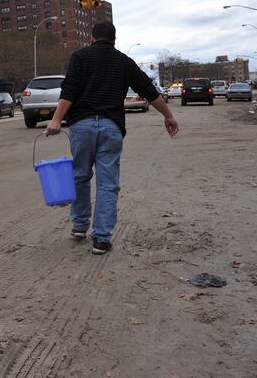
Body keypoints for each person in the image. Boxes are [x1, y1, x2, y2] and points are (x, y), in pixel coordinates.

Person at [45, 22, 179, 254]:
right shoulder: (124, 62)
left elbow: (70, 89)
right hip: (111, 127)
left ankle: (79, 226)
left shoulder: (80, 57)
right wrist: (168, 116)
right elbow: (148, 89)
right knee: (108, 184)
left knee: (80, 176)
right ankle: (102, 238)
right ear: (115, 40)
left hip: (82, 126)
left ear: (92, 38)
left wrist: (56, 119)